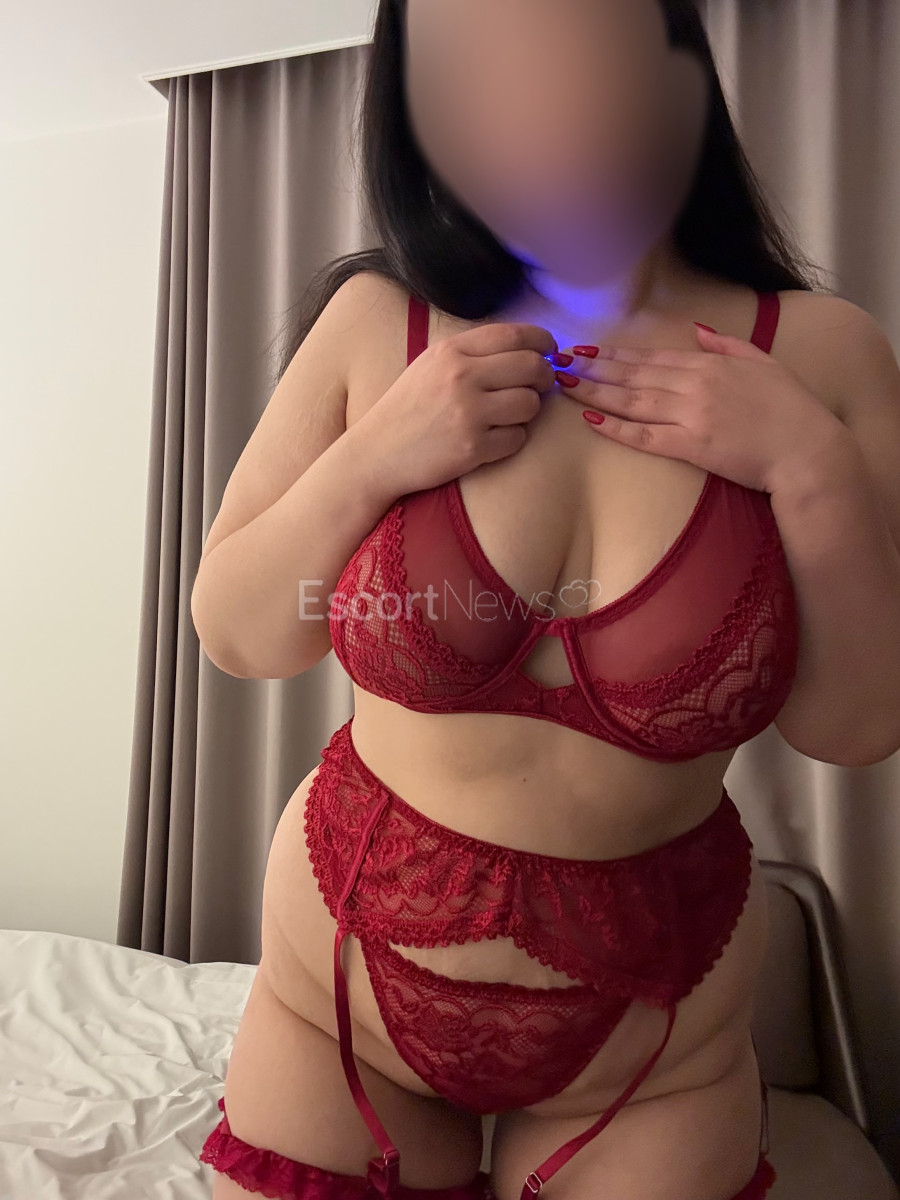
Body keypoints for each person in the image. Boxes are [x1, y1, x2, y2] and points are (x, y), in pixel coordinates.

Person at [191, 2, 868, 1198]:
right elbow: (242, 634)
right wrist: (375, 455)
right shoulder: (377, 323)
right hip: (339, 1005)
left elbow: (855, 726)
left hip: (653, 1054)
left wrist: (809, 468)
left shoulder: (824, 355)